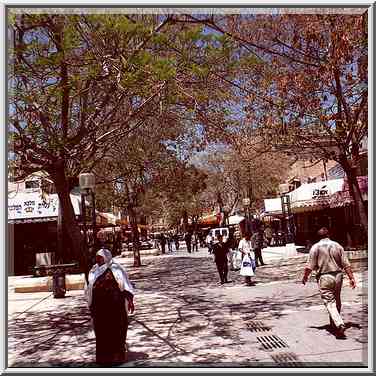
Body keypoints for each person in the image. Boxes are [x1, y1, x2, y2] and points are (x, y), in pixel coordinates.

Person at [302, 227, 356, 340]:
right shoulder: (337, 245)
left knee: (330, 302)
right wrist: (351, 278)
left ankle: (339, 324)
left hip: (324, 277)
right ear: (329, 235)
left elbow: (309, 266)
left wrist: (305, 277)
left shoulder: (315, 247)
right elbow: (346, 264)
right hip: (338, 276)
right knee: (337, 300)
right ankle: (334, 324)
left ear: (318, 236)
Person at [86, 249, 135, 365]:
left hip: (115, 307)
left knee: (117, 330)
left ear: (106, 257)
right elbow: (88, 288)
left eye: (100, 257)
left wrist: (130, 300)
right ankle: (103, 358)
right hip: (99, 308)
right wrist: (90, 304)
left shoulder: (116, 269)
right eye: (97, 257)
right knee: (101, 332)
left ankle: (117, 356)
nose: (97, 260)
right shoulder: (94, 270)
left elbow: (126, 285)